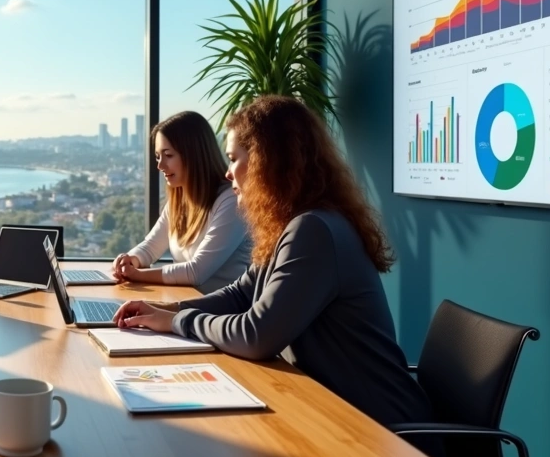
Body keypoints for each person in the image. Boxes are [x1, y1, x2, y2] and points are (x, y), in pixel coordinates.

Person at [113, 96, 433, 428]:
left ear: (267, 163)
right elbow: (241, 294)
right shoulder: (291, 225)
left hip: (382, 430)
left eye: (235, 158)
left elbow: (257, 334)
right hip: (333, 411)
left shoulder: (314, 230)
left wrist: (178, 322)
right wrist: (168, 311)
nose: (227, 171)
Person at [111, 111, 251, 294]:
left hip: (224, 316)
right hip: (189, 305)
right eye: (157, 156)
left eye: (168, 155)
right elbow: (150, 247)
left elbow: (196, 272)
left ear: (193, 155)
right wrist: (130, 260)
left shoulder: (231, 201)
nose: (160, 166)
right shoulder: (179, 200)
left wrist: (136, 275)